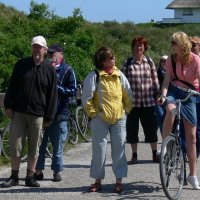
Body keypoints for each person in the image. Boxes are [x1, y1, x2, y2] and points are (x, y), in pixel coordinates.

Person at [1, 36, 58, 188]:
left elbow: (53, 95)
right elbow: (12, 86)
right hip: (18, 112)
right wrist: (8, 105)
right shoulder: (21, 65)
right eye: (34, 46)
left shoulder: (50, 70)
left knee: (34, 148)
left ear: (45, 50)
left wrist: (49, 117)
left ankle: (30, 177)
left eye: (39, 47)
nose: (36, 50)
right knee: (16, 146)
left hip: (38, 115)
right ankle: (14, 176)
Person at [82, 47, 133, 193]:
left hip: (119, 118)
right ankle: (97, 181)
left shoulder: (119, 75)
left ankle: (119, 182)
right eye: (110, 58)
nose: (114, 59)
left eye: (113, 57)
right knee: (99, 150)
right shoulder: (94, 76)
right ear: (103, 61)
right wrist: (93, 114)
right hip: (100, 119)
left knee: (119, 150)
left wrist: (126, 111)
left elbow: (128, 94)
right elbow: (87, 98)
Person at [158, 31, 200, 189]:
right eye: (171, 43)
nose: (172, 46)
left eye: (174, 43)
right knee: (170, 110)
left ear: (182, 44)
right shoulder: (171, 59)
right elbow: (167, 80)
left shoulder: (196, 59)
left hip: (191, 94)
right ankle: (166, 145)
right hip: (174, 91)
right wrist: (163, 95)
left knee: (192, 138)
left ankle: (193, 175)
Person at [34, 44, 77, 182]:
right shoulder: (44, 66)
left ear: (60, 54)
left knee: (57, 145)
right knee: (40, 145)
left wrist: (57, 88)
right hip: (43, 113)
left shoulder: (68, 69)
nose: (51, 55)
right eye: (50, 53)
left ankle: (56, 172)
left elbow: (73, 91)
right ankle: (38, 171)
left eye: (53, 53)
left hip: (60, 114)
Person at [121, 36, 160, 164]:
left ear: (144, 48)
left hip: (148, 102)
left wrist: (158, 94)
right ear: (133, 47)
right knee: (132, 129)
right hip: (132, 103)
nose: (139, 48)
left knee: (151, 128)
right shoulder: (127, 63)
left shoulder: (149, 61)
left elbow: (155, 79)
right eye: (137, 46)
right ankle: (134, 155)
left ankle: (155, 154)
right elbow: (122, 82)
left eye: (141, 46)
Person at [154, 55, 168, 133]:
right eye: (162, 61)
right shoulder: (156, 72)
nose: (163, 62)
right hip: (158, 97)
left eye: (165, 61)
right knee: (160, 116)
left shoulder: (171, 72)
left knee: (166, 117)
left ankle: (166, 135)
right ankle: (164, 135)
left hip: (168, 97)